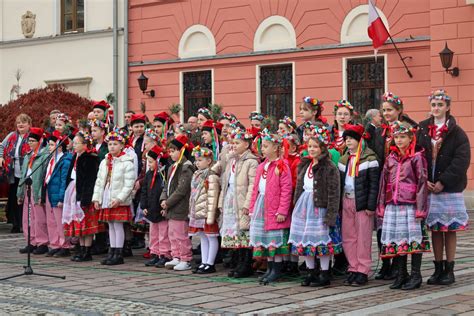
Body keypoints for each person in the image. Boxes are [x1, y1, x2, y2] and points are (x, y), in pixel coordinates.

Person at [417, 90, 471, 286]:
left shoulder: (457, 132)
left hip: (449, 189)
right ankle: (437, 267)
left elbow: (461, 160)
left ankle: (449, 269)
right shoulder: (422, 129)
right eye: (433, 105)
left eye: (440, 105)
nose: (436, 108)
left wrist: (443, 181)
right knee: (435, 230)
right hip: (429, 188)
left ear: (447, 107)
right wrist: (425, 180)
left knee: (449, 229)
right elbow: (418, 157)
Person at [377, 121, 430, 290]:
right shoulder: (390, 159)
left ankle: (416, 275)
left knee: (412, 239)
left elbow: (422, 182)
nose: (399, 140)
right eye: (396, 137)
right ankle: (401, 274)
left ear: (410, 138)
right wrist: (381, 205)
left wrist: (421, 208)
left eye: (403, 137)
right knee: (398, 239)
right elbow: (383, 182)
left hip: (410, 205)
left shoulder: (417, 157)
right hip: (393, 204)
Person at [372, 92, 418, 281]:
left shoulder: (410, 129)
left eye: (390, 110)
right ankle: (386, 263)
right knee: (383, 227)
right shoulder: (378, 131)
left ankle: (401, 270)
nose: (386, 113)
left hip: (404, 186)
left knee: (402, 229)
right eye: (384, 110)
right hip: (385, 182)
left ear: (399, 111)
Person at [289, 124, 341, 287]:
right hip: (304, 206)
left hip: (320, 207)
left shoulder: (329, 167)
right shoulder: (304, 165)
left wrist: (331, 214)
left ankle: (324, 273)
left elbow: (334, 192)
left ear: (323, 148)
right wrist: (296, 204)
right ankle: (311, 272)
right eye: (309, 146)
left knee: (321, 241)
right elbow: (299, 186)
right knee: (306, 240)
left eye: (315, 146)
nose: (311, 149)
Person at [249, 130, 292, 285]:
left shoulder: (282, 166)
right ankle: (269, 268)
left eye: (266, 146)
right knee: (265, 239)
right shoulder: (262, 166)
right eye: (262, 146)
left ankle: (276, 270)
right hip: (262, 204)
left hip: (274, 208)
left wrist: (282, 210)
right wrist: (252, 207)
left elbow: (286, 190)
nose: (263, 149)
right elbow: (255, 189)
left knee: (275, 241)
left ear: (275, 148)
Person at [338, 124, 380, 286]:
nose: (348, 142)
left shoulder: (370, 159)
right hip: (346, 200)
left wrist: (371, 206)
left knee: (363, 237)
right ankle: (353, 267)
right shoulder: (343, 159)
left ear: (359, 140)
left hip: (362, 203)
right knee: (348, 236)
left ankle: (363, 269)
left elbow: (374, 184)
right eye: (346, 139)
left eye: (351, 139)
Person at [219, 127, 259, 278]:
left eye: (237, 143)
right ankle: (238, 261)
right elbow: (226, 182)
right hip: (231, 199)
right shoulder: (232, 160)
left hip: (242, 201)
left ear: (246, 145)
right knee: (235, 233)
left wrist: (247, 205)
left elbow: (252, 185)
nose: (234, 145)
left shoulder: (251, 162)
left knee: (244, 232)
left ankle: (246, 264)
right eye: (232, 143)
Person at [92, 130, 136, 265]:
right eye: (110, 144)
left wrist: (120, 199)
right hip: (107, 196)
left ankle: (119, 253)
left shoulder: (127, 162)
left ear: (122, 146)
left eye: (115, 144)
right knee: (110, 225)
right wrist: (97, 198)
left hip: (117, 199)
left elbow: (129, 184)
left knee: (117, 226)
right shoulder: (105, 162)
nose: (112, 147)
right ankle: (112, 251)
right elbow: (99, 181)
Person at [63, 132, 102, 262]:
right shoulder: (75, 157)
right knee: (78, 222)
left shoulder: (90, 158)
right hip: (74, 190)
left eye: (76, 143)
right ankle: (81, 248)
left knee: (86, 223)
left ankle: (87, 250)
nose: (73, 145)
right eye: (73, 143)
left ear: (85, 145)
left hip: (85, 192)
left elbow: (90, 180)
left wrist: (85, 197)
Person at [160, 135, 196, 271]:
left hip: (180, 207)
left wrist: (168, 202)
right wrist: (163, 200)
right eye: (169, 151)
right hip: (171, 207)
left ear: (182, 151)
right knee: (172, 234)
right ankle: (176, 256)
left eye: (174, 150)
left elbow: (182, 189)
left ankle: (185, 258)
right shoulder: (172, 167)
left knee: (181, 234)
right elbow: (166, 186)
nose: (171, 153)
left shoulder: (186, 167)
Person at [17, 127, 49, 255]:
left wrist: (41, 191)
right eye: (28, 141)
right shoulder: (28, 155)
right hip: (27, 188)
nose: (30, 143)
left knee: (39, 217)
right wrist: (19, 192)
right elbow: (23, 174)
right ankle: (31, 241)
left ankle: (42, 242)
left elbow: (42, 176)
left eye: (32, 141)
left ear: (40, 141)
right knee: (28, 217)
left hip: (36, 188)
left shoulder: (44, 155)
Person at [188, 146, 220, 274]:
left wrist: (211, 214)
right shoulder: (196, 174)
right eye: (196, 160)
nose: (197, 163)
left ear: (209, 161)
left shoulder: (211, 176)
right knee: (202, 237)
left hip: (207, 212)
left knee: (211, 237)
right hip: (198, 211)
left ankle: (210, 263)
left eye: (200, 160)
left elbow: (212, 196)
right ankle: (204, 262)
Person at [42, 131, 73, 257]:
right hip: (50, 192)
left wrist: (61, 198)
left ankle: (64, 245)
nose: (49, 147)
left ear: (59, 146)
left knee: (60, 221)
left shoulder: (65, 160)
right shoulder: (52, 159)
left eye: (51, 145)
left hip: (57, 194)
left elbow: (63, 180)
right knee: (52, 221)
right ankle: (55, 244)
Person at [0, 114, 31, 233]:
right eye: (18, 122)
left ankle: (25, 223)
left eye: (23, 122)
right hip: (13, 173)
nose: (20, 125)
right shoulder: (12, 136)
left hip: (26, 172)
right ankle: (15, 224)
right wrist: (1, 157)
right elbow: (1, 146)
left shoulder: (32, 136)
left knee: (23, 198)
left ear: (29, 124)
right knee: (13, 199)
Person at [142, 145, 171, 268]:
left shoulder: (163, 174)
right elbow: (144, 190)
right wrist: (144, 205)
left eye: (151, 162)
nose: (149, 164)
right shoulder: (149, 174)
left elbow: (167, 191)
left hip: (160, 209)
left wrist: (165, 206)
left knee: (163, 233)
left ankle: (164, 254)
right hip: (151, 209)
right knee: (153, 233)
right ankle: (154, 253)